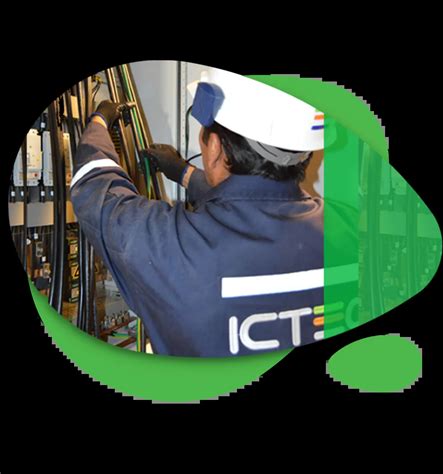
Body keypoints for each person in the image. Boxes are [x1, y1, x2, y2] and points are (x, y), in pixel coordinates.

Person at [71, 67, 324, 357]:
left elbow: (95, 187)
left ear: (214, 146)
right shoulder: (347, 230)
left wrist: (99, 120)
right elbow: (254, 203)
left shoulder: (172, 250)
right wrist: (184, 173)